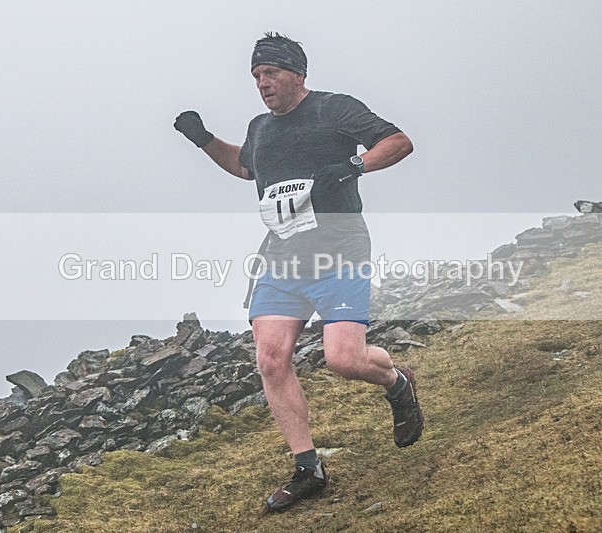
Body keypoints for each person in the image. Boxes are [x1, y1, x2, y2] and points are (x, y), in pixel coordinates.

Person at [174, 32, 421, 513]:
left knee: (344, 360)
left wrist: (353, 166)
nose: (263, 84)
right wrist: (203, 140)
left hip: (338, 254)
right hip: (281, 260)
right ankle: (309, 468)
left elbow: (398, 142)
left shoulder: (334, 109)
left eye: (270, 73)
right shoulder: (260, 127)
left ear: (297, 73)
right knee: (270, 359)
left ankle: (397, 382)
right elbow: (245, 167)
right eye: (256, 77)